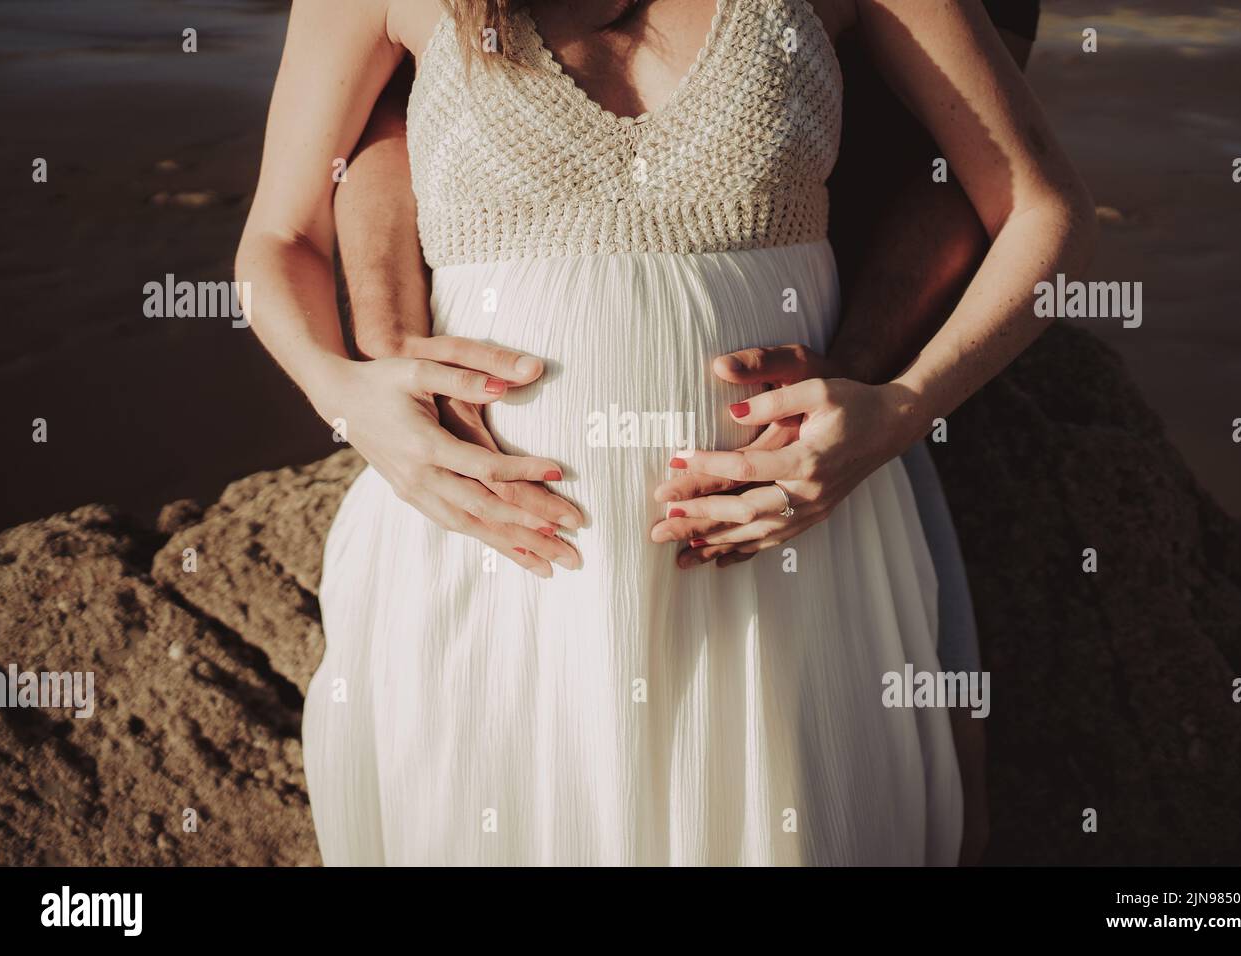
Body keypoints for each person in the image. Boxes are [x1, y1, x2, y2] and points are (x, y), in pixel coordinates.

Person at [236, 0, 1093, 865]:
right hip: (493, 559)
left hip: (788, 556)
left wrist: (899, 410)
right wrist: (344, 392)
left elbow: (1038, 204)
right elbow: (281, 233)